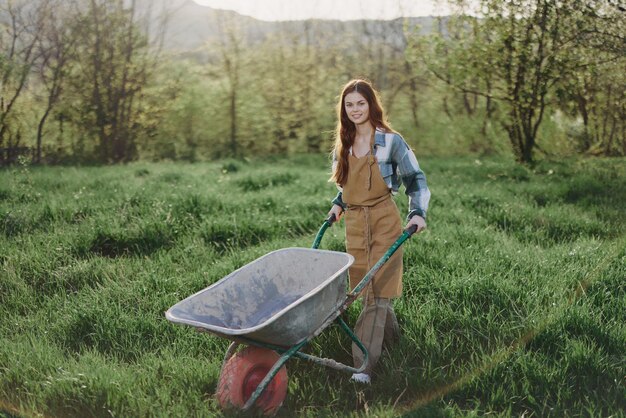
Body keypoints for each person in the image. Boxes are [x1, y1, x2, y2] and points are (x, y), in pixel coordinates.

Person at [327, 79, 430, 384]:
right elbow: (345, 187)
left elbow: (417, 180)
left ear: (372, 105)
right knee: (369, 291)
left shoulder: (391, 141)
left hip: (385, 220)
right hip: (355, 224)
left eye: (361, 103)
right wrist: (338, 205)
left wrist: (418, 213)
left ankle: (363, 368)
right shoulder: (343, 144)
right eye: (350, 105)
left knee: (375, 292)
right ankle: (396, 340)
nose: (356, 109)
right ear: (343, 110)